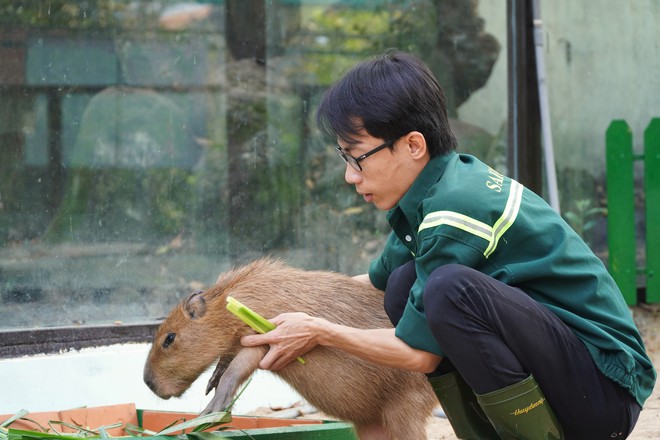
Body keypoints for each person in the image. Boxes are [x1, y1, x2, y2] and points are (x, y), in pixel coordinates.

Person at [240, 51, 656, 439]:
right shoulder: (434, 191)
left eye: (357, 157)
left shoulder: (454, 210)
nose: (350, 176)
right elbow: (371, 283)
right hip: (574, 377)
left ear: (414, 145)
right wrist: (284, 306)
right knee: (404, 285)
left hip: (605, 391)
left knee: (448, 289)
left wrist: (320, 331)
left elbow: (417, 354)